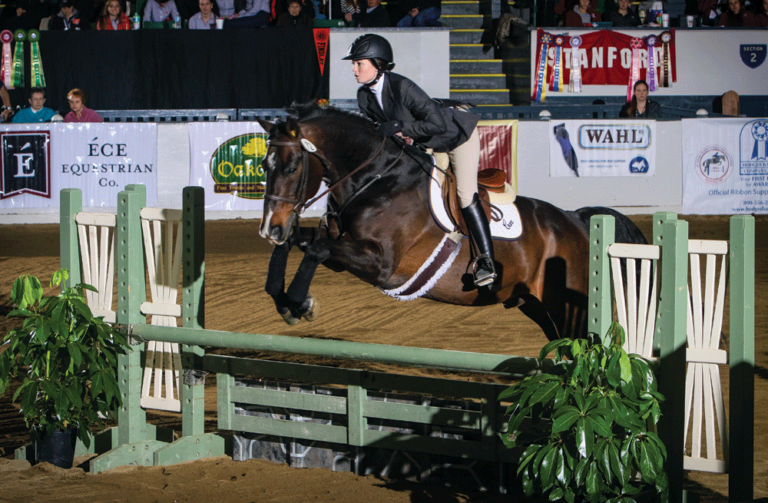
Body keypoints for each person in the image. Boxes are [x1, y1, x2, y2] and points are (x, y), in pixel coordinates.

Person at [342, 34, 496, 289]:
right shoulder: (364, 96)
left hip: (456, 136)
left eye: (359, 63)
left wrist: (400, 127)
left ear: (378, 64)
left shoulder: (402, 86)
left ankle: (486, 261)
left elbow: (437, 123)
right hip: (429, 144)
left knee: (464, 194)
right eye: (353, 64)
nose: (354, 69)